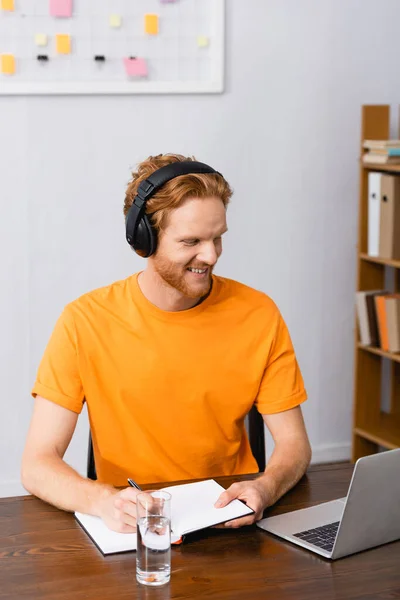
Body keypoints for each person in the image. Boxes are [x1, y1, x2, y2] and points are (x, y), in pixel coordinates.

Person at [21, 153, 311, 534]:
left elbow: (294, 445)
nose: (210, 256)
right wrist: (101, 500)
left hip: (228, 520)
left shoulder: (258, 313)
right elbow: (37, 463)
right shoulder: (84, 321)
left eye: (217, 238)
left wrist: (265, 486)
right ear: (145, 239)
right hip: (135, 527)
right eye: (191, 241)